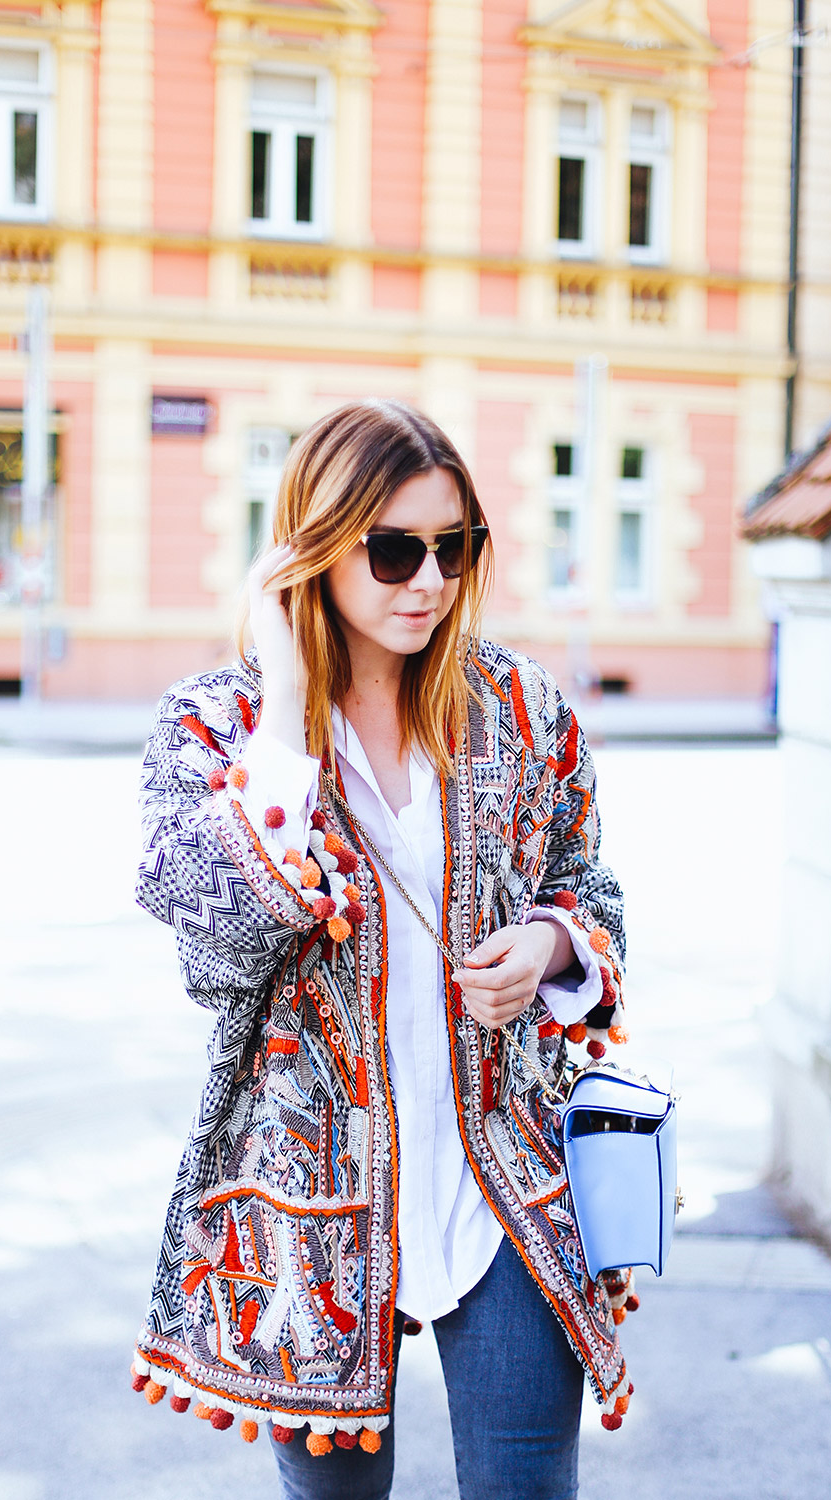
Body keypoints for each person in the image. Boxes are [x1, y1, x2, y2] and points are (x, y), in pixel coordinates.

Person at [129, 400, 635, 1500]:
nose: (429, 581)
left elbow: (589, 887)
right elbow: (214, 956)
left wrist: (550, 943)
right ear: (314, 546)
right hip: (310, 1212)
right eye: (396, 548)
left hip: (503, 1182)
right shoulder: (214, 727)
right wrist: (283, 713)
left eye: (454, 548)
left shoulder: (518, 705)